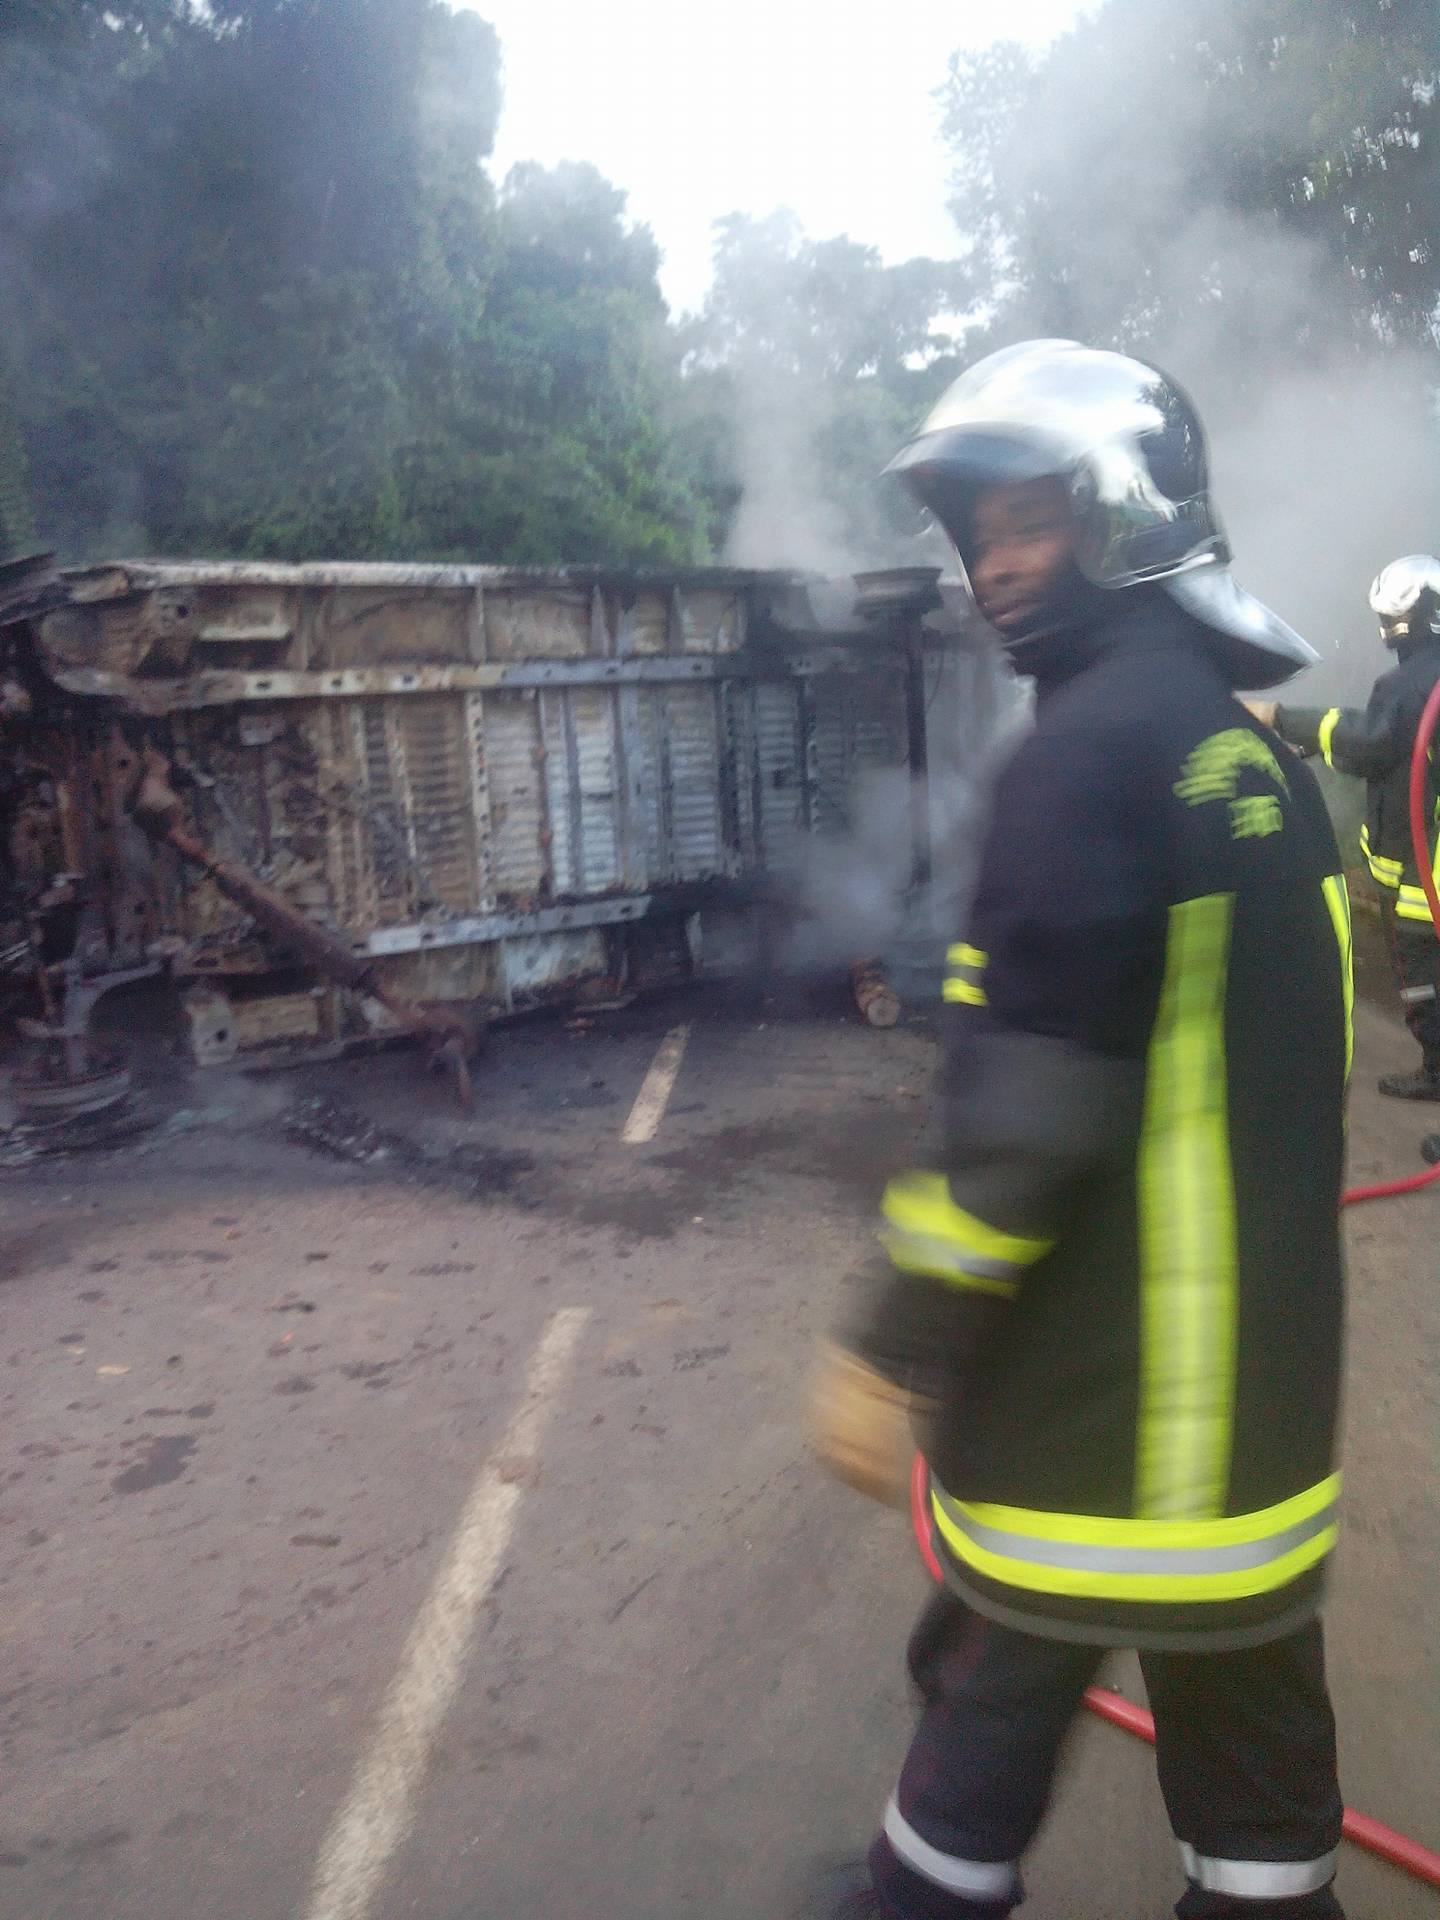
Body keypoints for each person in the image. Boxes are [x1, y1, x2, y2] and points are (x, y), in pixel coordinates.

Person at [807, 340, 1351, 1920]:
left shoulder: (1084, 758)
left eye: (1028, 522)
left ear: (1125, 517)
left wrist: (885, 1340)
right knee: (1263, 1822)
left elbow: (1023, 1119)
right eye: (977, 533)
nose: (992, 566)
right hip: (1258, 1455)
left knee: (968, 1766)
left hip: (1095, 1446)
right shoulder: (1248, 751)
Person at [1248, 555, 1440, 1099]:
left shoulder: (1415, 683)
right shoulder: (1422, 682)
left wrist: (1280, 718)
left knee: (1427, 985)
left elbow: (1373, 739)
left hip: (1425, 879)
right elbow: (1393, 750)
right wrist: (1311, 744)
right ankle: (1436, 1072)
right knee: (1425, 984)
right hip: (1416, 869)